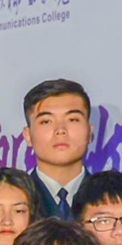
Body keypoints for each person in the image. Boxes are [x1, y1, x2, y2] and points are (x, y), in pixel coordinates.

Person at [20, 80, 95, 216]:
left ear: (89, 132)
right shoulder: (17, 200)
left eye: (72, 119)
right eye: (46, 121)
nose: (60, 130)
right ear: (28, 135)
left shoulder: (110, 198)